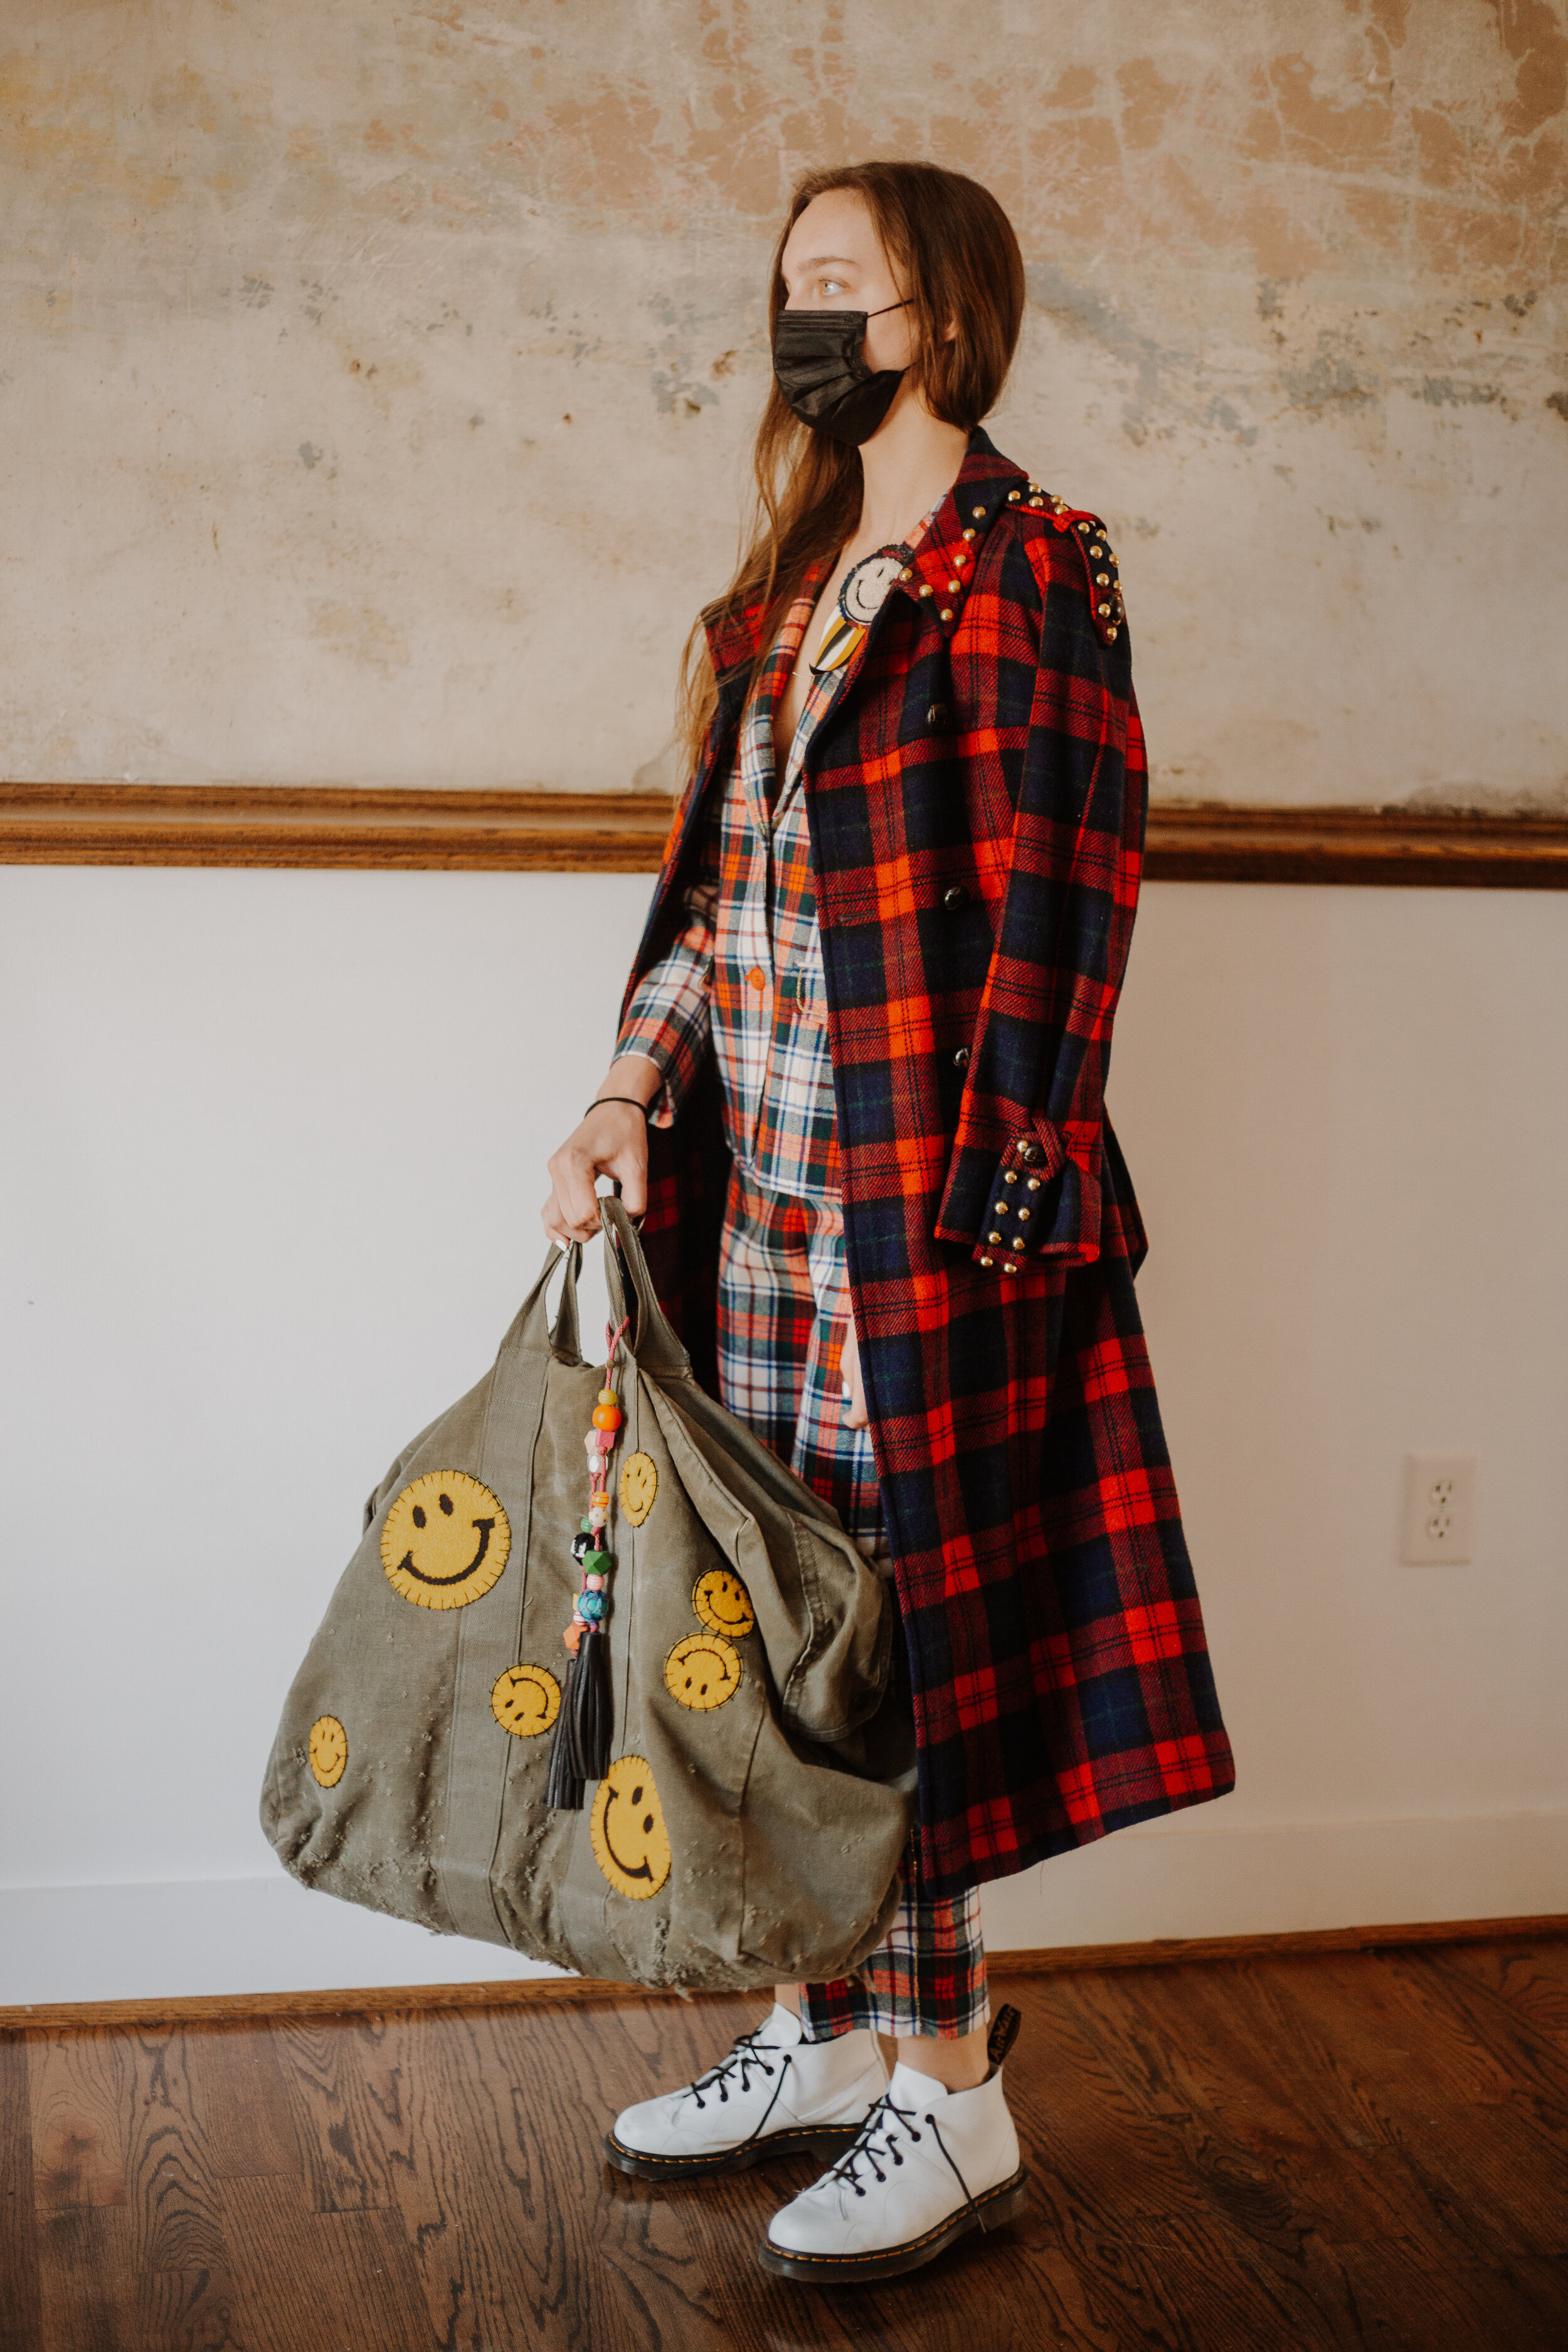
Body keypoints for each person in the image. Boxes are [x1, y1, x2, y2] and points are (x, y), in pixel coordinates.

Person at [541, 158, 1234, 2287]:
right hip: (749, 1206)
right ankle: (820, 2028)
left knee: (891, 1637)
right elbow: (717, 907)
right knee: (769, 1624)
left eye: (837, 282)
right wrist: (623, 1092)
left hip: (925, 1213)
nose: (803, 319)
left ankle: (951, 2086)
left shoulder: (1027, 563)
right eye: (788, 284)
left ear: (938, 312)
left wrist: (1002, 1185)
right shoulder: (780, 590)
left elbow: (1070, 881)